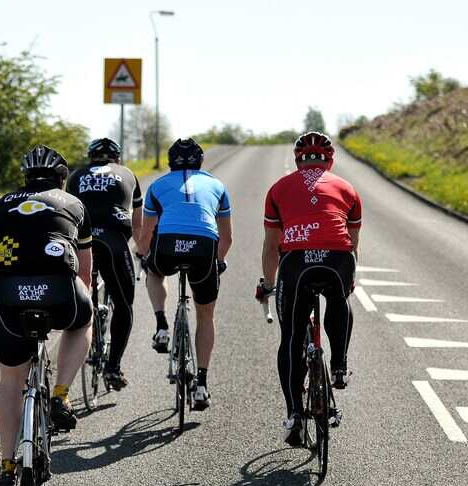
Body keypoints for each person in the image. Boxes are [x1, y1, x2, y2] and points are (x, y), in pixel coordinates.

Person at [0, 145, 94, 486]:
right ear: (63, 178)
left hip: (7, 295)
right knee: (83, 320)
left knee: (10, 378)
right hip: (58, 290)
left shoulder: (3, 203)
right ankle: (61, 395)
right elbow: (86, 269)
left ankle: (6, 467)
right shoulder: (74, 203)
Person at [257, 131, 362, 446]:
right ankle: (340, 365)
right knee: (339, 299)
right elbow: (353, 244)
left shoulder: (278, 188)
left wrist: (269, 283)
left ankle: (294, 415)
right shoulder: (347, 188)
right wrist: (348, 281)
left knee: (290, 336)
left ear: (297, 160)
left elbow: (271, 246)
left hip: (296, 264)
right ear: (329, 160)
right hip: (337, 260)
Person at [137, 138, 232, 411]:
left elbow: (145, 235)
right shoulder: (217, 185)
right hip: (204, 247)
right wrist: (219, 261)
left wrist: (143, 256)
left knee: (153, 272)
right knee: (206, 314)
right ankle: (201, 384)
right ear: (201, 162)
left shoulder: (157, 185)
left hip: (168, 244)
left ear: (170, 163)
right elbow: (227, 237)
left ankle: (162, 325)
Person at [64, 137, 143, 390]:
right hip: (114, 242)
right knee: (124, 305)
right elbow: (138, 223)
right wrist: (139, 250)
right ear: (117, 159)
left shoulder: (75, 176)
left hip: (80, 243)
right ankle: (113, 367)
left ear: (90, 158)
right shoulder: (127, 173)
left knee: (80, 297)